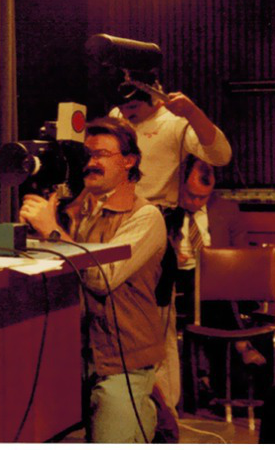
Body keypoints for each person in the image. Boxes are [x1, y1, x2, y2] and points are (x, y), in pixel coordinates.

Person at [19, 116, 166, 443]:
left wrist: (53, 232)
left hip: (120, 365)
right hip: (72, 361)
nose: (92, 162)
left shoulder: (145, 217)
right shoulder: (80, 211)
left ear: (129, 161)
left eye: (102, 154)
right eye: (88, 154)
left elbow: (102, 278)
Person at [156, 156, 260, 413]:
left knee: (212, 281)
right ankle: (242, 343)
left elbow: (242, 257)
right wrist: (171, 257)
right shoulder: (162, 212)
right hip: (176, 285)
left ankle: (206, 378)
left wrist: (218, 261)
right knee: (199, 281)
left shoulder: (227, 211)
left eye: (202, 197)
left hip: (218, 285)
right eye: (190, 195)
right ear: (178, 185)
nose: (194, 202)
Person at [110, 84, 232, 207]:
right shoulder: (116, 116)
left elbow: (221, 157)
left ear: (153, 97)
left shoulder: (177, 122)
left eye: (133, 107)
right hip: (119, 207)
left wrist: (193, 113)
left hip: (157, 209)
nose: (126, 114)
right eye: (121, 108)